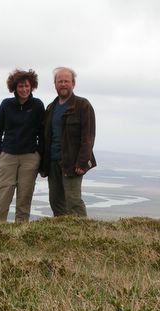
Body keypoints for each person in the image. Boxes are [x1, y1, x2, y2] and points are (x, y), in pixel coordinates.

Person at [41, 67, 96, 217]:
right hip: (53, 162)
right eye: (60, 81)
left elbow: (88, 136)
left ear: (73, 84)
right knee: (55, 201)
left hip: (73, 162)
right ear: (55, 84)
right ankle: (62, 235)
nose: (63, 84)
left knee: (73, 201)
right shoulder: (51, 108)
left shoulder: (82, 105)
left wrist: (82, 162)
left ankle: (83, 233)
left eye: (66, 81)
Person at [0, 69, 45, 222]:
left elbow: (42, 132)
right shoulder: (6, 104)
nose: (24, 89)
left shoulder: (37, 105)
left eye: (27, 86)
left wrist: (39, 154)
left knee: (25, 197)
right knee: (3, 196)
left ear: (32, 86)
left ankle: (21, 232)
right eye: (20, 86)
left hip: (30, 157)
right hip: (8, 156)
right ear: (14, 87)